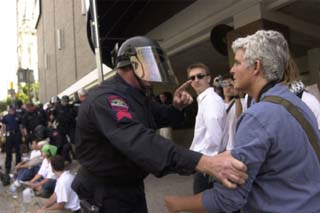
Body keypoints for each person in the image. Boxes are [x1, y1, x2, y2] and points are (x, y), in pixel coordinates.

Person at [72, 36, 247, 213]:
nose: (155, 70)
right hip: (106, 192)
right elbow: (140, 142)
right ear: (133, 64)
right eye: (151, 64)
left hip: (129, 187)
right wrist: (203, 162)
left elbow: (157, 115)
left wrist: (176, 107)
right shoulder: (107, 99)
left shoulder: (136, 94)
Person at [164, 30, 320, 212]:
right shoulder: (296, 101)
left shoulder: (258, 115)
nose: (231, 70)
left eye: (237, 63)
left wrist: (177, 204)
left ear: (256, 67)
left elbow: (228, 199)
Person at [187, 62, 227, 194]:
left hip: (207, 166)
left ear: (209, 78)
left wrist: (209, 165)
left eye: (200, 76)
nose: (196, 80)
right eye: (192, 78)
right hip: (206, 165)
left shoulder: (210, 100)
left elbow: (216, 139)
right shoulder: (206, 100)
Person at [221, 74, 244, 150]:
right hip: (221, 148)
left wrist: (237, 96)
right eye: (224, 85)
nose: (227, 88)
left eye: (230, 85)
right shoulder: (218, 103)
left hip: (233, 146)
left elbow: (239, 116)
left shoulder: (241, 102)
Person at [1, 105, 22, 174]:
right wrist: (2, 136)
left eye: (14, 109)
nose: (13, 110)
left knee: (18, 152)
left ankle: (18, 167)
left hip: (17, 135)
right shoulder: (6, 117)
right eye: (12, 109)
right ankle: (8, 168)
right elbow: (3, 127)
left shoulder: (18, 116)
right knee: (8, 152)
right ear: (9, 109)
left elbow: (21, 126)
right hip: (9, 135)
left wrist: (23, 135)